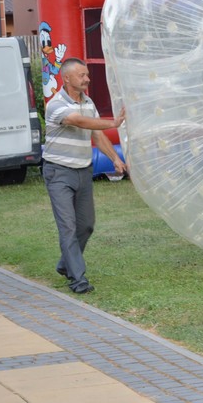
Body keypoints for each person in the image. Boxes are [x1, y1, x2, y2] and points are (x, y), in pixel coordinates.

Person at [42, 58, 127, 294]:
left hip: (83, 171)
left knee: (86, 225)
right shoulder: (55, 104)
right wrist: (113, 122)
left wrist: (115, 159)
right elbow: (77, 121)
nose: (87, 79)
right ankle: (78, 280)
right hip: (59, 172)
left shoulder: (88, 102)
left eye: (87, 74)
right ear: (66, 78)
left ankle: (65, 264)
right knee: (68, 227)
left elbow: (97, 136)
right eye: (82, 75)